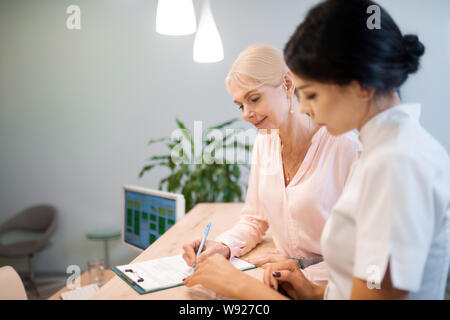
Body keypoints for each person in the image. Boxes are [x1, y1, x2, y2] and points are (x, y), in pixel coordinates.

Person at [185, 0, 450, 300]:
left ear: (360, 84)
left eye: (311, 94)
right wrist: (314, 292)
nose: (306, 108)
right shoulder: (384, 151)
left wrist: (239, 285)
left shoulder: (396, 164)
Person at [182, 44, 361, 286]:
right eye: (240, 105)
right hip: (283, 277)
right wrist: (223, 246)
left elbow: (364, 252)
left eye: (254, 99)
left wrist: (303, 274)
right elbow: (254, 219)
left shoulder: (344, 145)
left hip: (332, 285)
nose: (246, 113)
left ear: (287, 85)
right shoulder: (265, 142)